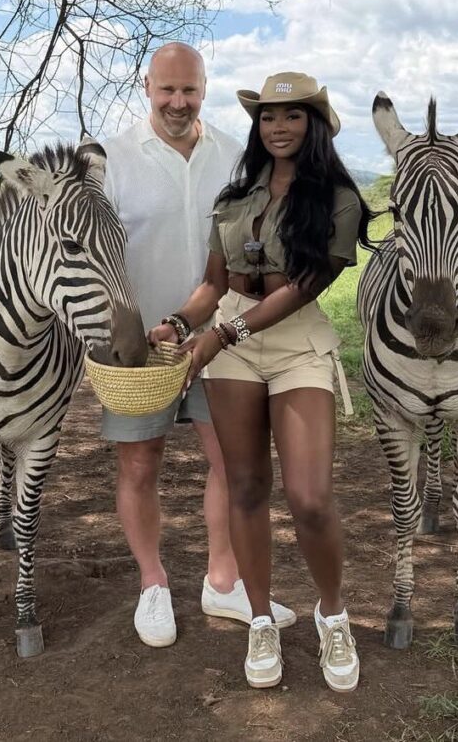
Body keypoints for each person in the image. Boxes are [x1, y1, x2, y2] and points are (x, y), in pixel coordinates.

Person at [149, 72, 375, 691]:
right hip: (232, 346)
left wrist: (221, 336)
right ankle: (259, 619)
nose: (278, 127)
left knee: (310, 497)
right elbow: (213, 284)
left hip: (295, 344)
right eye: (268, 116)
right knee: (246, 487)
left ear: (314, 124)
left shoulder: (337, 200)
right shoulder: (234, 198)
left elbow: (304, 288)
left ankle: (333, 616)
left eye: (292, 115)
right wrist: (179, 324)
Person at [101, 44, 296, 649]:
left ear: (205, 89)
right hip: (141, 344)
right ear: (147, 87)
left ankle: (222, 580)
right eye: (167, 89)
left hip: (222, 337)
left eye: (189, 89)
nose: (178, 102)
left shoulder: (236, 159)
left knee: (233, 464)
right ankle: (153, 583)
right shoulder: (109, 160)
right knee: (139, 464)